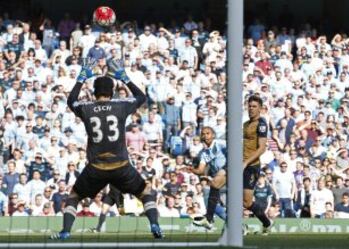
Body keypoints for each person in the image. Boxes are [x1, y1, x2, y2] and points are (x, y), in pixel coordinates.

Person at [50, 58, 163, 240]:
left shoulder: (86, 107)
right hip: (121, 166)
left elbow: (71, 100)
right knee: (146, 193)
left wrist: (81, 78)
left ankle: (65, 232)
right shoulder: (121, 105)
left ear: (94, 92)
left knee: (74, 196)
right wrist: (124, 77)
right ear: (112, 91)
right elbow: (142, 97)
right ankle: (155, 225)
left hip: (96, 167)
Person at [243, 95, 273, 235]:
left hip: (251, 166)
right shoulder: (245, 124)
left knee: (247, 202)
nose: (251, 109)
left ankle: (266, 222)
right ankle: (238, 227)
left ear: (260, 109)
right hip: (241, 164)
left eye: (254, 106)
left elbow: (261, 148)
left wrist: (245, 162)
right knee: (237, 198)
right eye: (249, 106)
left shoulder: (261, 123)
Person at [189, 126, 226, 230]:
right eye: (203, 134)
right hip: (221, 179)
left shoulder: (221, 143)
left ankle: (209, 219)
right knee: (207, 195)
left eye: (208, 133)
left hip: (230, 173)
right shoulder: (204, 153)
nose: (205, 136)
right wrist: (191, 169)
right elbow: (200, 170)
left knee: (212, 187)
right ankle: (233, 223)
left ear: (213, 135)